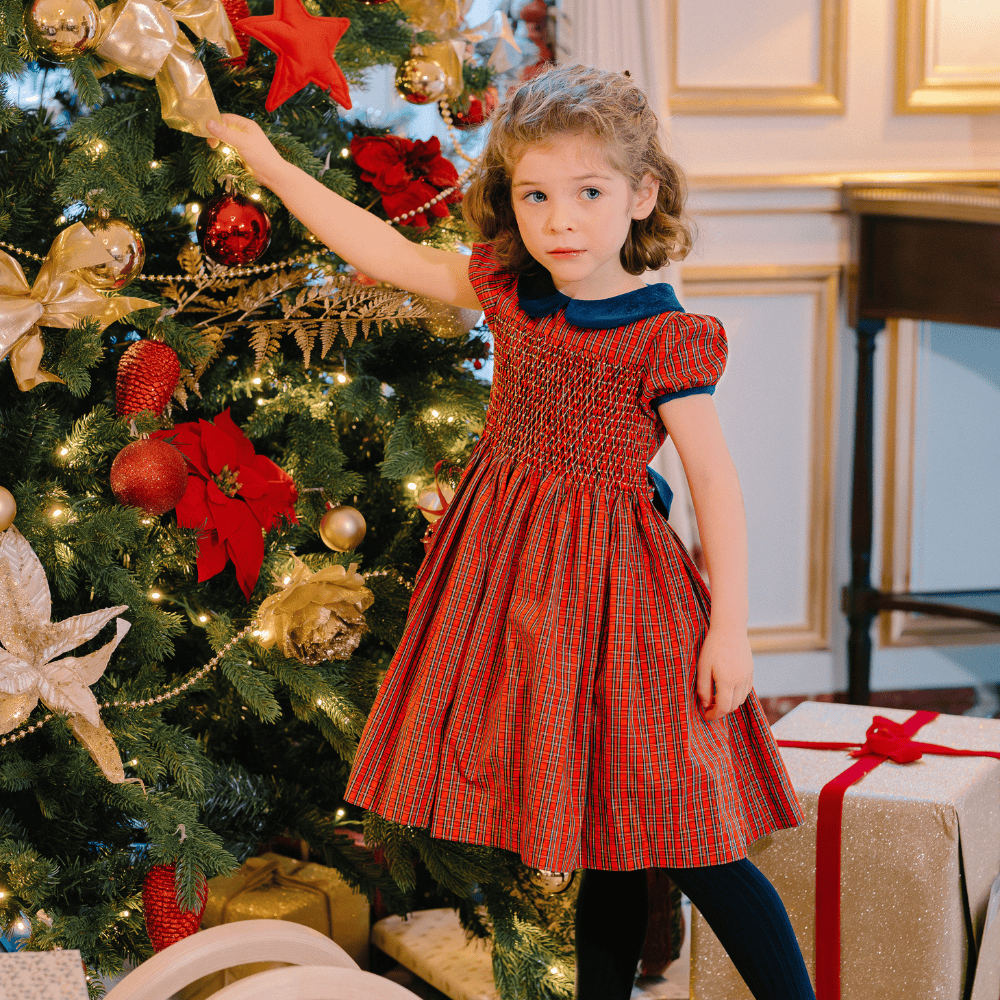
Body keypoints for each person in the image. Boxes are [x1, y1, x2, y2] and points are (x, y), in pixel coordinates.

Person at [207, 63, 815, 1000]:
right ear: (510, 198)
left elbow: (716, 484)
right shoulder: (506, 288)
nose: (561, 220)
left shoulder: (663, 336)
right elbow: (384, 252)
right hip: (516, 592)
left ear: (640, 195)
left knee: (687, 836)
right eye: (536, 194)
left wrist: (730, 627)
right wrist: (276, 167)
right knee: (598, 840)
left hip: (623, 600)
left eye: (589, 192)